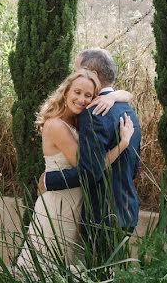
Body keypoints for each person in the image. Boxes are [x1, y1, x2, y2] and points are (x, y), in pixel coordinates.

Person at [16, 69, 135, 271]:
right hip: (58, 207)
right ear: (66, 91)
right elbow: (91, 168)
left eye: (88, 95)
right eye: (77, 92)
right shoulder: (55, 125)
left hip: (75, 204)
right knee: (47, 268)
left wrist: (113, 96)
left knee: (67, 269)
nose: (81, 99)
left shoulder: (79, 122)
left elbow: (127, 95)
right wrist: (123, 144)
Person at [39, 49, 142, 266]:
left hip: (101, 214)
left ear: (92, 73)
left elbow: (90, 171)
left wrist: (49, 180)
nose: (75, 75)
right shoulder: (127, 110)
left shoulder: (93, 113)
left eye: (77, 69)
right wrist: (116, 95)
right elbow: (133, 168)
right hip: (124, 208)